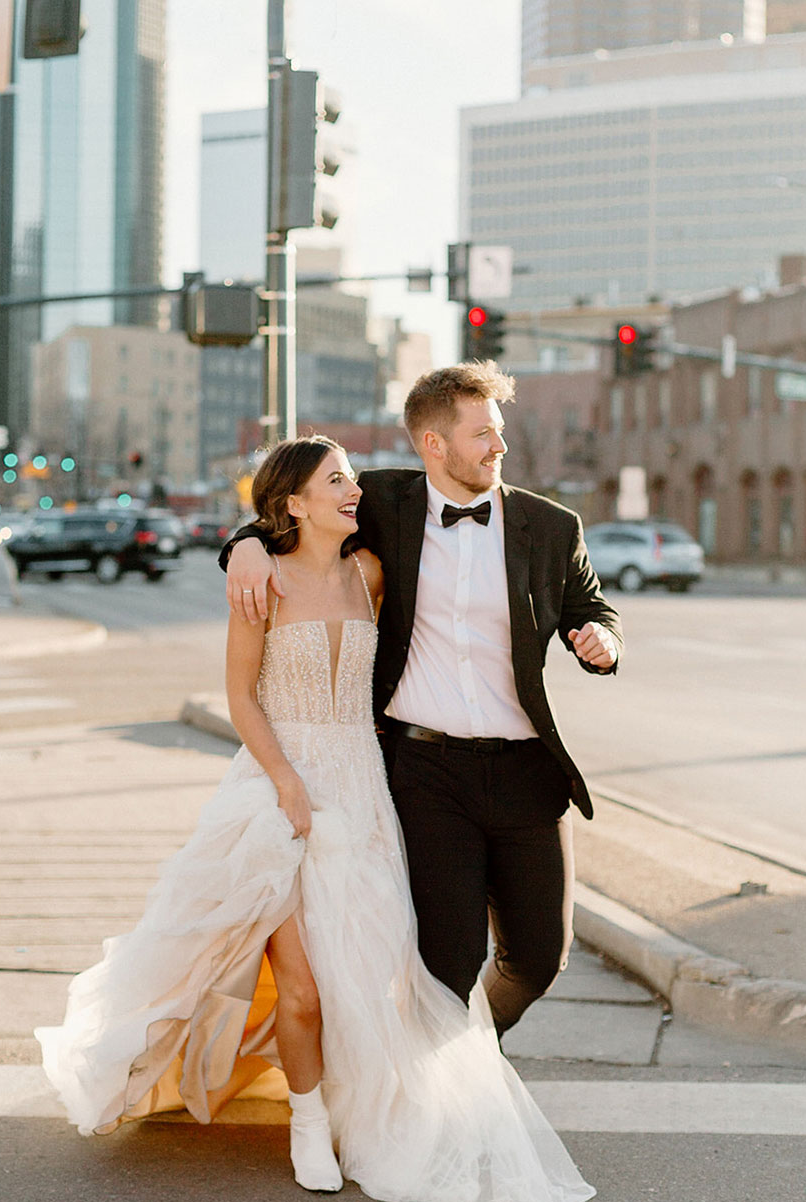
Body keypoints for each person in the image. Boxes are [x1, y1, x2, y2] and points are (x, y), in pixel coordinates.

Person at [36, 434, 595, 1202]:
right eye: (336, 480)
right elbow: (240, 699)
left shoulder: (371, 573)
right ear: (293, 502)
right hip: (278, 787)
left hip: (365, 790)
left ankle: (367, 1109)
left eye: (352, 477)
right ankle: (306, 1123)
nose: (354, 490)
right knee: (300, 990)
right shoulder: (259, 586)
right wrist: (286, 782)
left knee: (369, 972)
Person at [223, 362, 623, 1039]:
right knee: (448, 957)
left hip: (527, 771)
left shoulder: (552, 527)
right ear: (432, 445)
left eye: (498, 432)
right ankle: (432, 1092)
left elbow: (594, 606)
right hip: (427, 772)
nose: (498, 447)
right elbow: (291, 510)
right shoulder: (382, 504)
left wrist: (601, 640)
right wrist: (246, 548)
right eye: (481, 435)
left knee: (537, 959)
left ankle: (473, 1057)